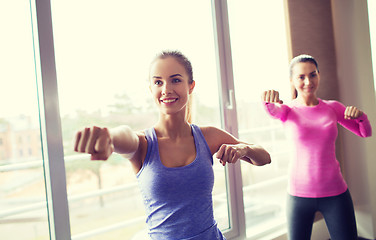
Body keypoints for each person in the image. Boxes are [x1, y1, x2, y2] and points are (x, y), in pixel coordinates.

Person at [74, 50, 271, 240]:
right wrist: (108, 137)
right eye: (158, 82)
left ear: (190, 86)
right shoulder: (143, 144)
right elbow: (125, 135)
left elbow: (264, 157)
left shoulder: (208, 136)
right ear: (151, 88)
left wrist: (243, 149)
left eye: (175, 80)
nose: (166, 89)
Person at [261, 54, 372, 240]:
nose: (308, 81)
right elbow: (273, 110)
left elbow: (365, 132)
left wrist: (362, 117)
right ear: (292, 80)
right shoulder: (287, 110)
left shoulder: (333, 107)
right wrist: (267, 100)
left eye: (312, 75)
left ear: (319, 75)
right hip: (298, 196)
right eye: (301, 77)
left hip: (336, 193)